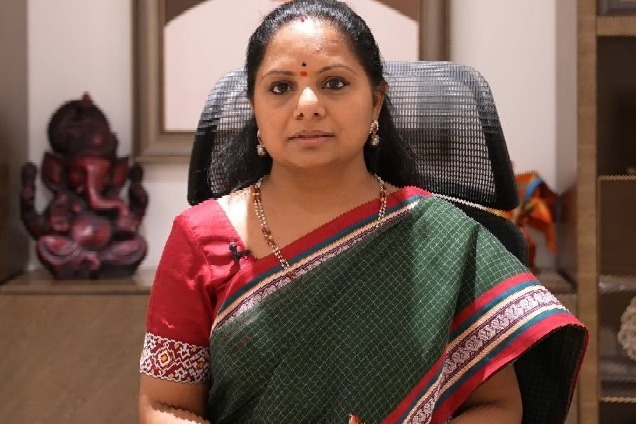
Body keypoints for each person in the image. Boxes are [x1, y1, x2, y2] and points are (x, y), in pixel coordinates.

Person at [138, 1, 588, 423]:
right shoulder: (199, 238)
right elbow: (165, 403)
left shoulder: (443, 238)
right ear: (255, 107)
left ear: (375, 100)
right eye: (281, 87)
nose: (308, 106)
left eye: (334, 83)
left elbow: (496, 406)